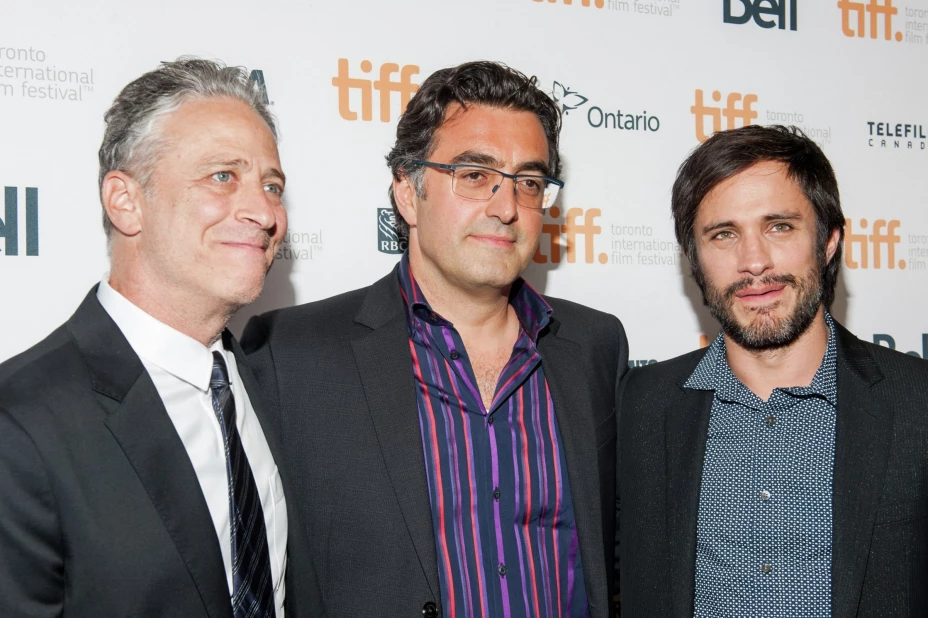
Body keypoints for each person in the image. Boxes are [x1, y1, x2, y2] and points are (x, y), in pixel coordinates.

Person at [243, 61, 628, 618]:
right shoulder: (293, 355)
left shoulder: (594, 347)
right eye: (474, 175)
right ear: (406, 192)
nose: (506, 207)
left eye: (529, 182)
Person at [0, 58, 322, 618]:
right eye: (223, 176)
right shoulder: (20, 421)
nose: (264, 211)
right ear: (126, 201)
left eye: (272, 186)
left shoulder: (272, 383)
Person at [616, 125, 928, 617]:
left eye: (779, 226)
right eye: (723, 234)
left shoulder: (918, 403)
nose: (754, 262)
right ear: (694, 259)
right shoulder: (642, 405)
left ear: (828, 242)